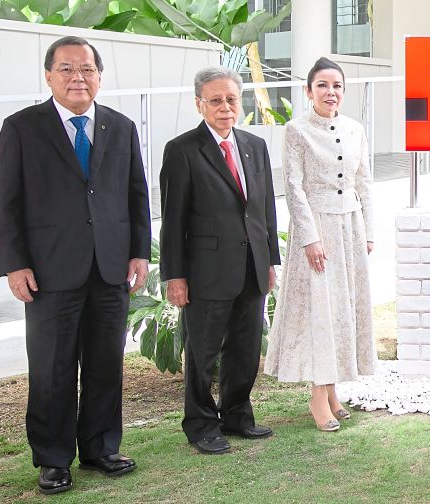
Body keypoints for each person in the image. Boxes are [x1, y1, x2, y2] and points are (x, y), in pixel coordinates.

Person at [0, 36, 150, 495]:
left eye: (87, 69)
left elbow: (136, 195)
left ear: (99, 76)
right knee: (52, 368)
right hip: (48, 271)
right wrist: (15, 264)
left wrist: (139, 251)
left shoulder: (120, 127)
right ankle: (53, 459)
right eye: (66, 69)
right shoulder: (21, 127)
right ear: (48, 76)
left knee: (105, 364)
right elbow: (8, 204)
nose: (77, 77)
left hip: (110, 268)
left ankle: (101, 448)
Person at [159, 66, 281, 455]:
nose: (225, 107)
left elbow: (265, 208)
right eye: (216, 100)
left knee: (245, 349)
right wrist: (174, 276)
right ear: (199, 104)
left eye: (231, 98)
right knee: (202, 353)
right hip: (205, 272)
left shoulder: (254, 145)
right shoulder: (181, 150)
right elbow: (173, 219)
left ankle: (237, 416)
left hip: (251, 267)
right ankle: (200, 425)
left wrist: (270, 260)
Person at [264, 57, 377, 432]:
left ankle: (332, 391)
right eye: (323, 85)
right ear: (309, 90)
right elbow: (293, 187)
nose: (331, 92)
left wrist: (369, 233)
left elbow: (365, 183)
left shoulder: (356, 128)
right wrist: (310, 238)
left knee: (344, 310)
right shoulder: (297, 130)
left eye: (338, 86)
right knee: (321, 312)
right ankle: (318, 395)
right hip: (318, 231)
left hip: (350, 227)